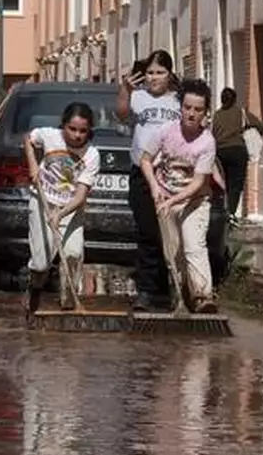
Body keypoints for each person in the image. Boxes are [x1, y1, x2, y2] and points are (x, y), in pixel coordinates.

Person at [139, 78, 219, 314]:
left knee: (194, 246)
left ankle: (203, 295)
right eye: (187, 108)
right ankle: (182, 294)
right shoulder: (165, 131)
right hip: (165, 197)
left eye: (198, 109)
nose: (191, 114)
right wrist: (155, 188)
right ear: (180, 107)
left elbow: (198, 182)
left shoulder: (207, 142)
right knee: (172, 251)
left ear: (205, 112)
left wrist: (174, 200)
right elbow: (145, 160)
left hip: (194, 200)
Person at [115, 49, 181, 313]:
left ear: (170, 74)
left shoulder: (178, 99)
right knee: (148, 232)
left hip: (172, 175)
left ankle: (174, 287)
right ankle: (147, 290)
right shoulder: (137, 97)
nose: (154, 78)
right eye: (151, 73)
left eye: (160, 73)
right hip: (142, 173)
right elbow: (120, 114)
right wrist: (124, 90)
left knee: (172, 234)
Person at [23, 102, 101, 314]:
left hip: (70, 209)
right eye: (72, 129)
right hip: (43, 202)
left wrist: (61, 213)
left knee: (73, 253)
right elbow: (28, 139)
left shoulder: (92, 155)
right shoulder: (49, 136)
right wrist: (32, 164)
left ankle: (68, 302)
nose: (77, 135)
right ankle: (35, 286)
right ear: (63, 126)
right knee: (41, 263)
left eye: (83, 131)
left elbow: (81, 195)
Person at [210, 87, 262, 225]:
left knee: (222, 183)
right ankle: (231, 213)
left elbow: (213, 133)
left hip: (220, 152)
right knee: (236, 185)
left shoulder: (217, 115)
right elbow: (259, 125)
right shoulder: (241, 113)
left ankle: (221, 210)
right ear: (234, 99)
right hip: (237, 151)